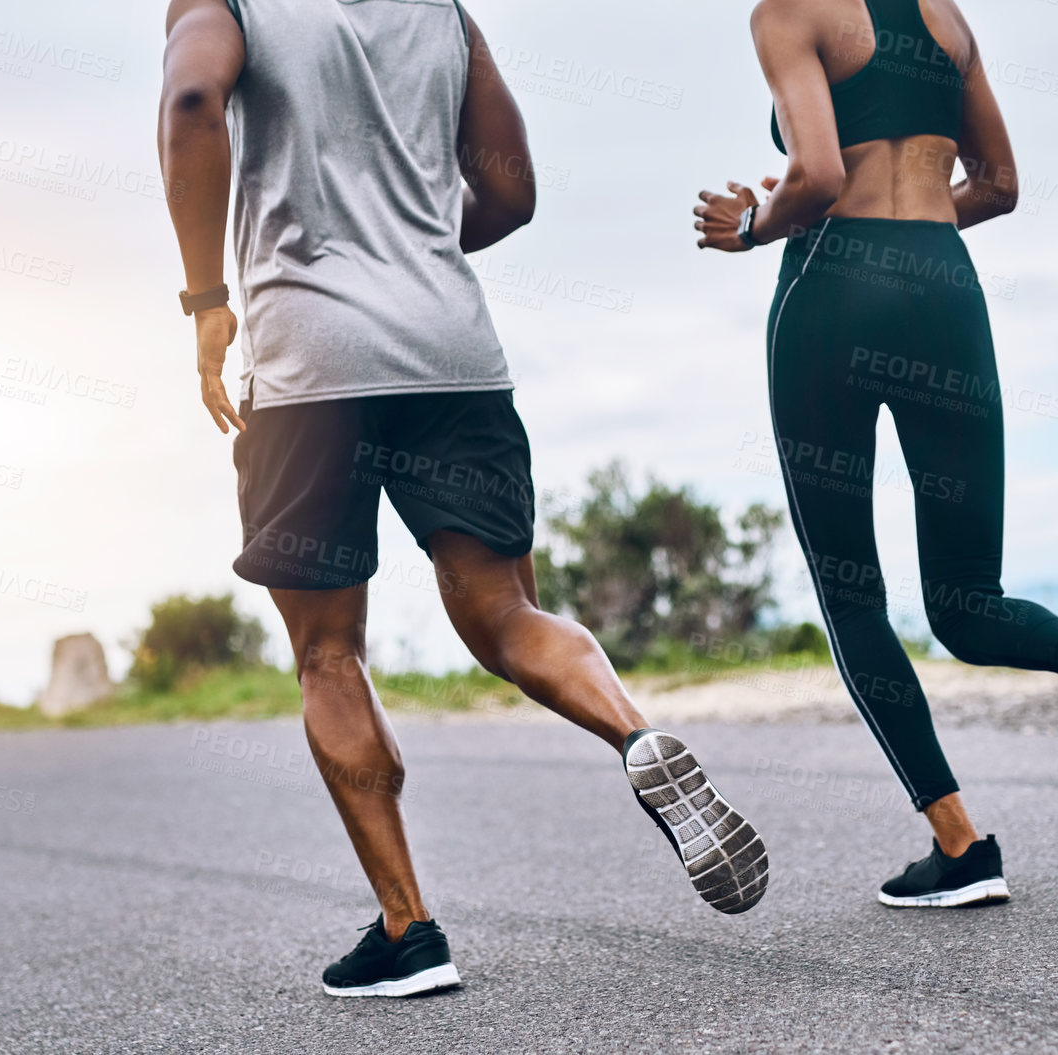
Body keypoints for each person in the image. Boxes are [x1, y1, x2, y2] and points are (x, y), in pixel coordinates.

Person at [158, 0, 769, 996]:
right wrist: (410, 251)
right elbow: (512, 190)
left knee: (327, 651)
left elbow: (192, 98)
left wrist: (205, 302)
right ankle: (634, 732)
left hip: (309, 367)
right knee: (507, 612)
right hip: (451, 351)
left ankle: (410, 927)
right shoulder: (442, 11)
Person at [693, 0, 1058, 907]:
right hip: (945, 291)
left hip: (832, 291)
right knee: (968, 600)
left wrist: (749, 228)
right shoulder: (946, 17)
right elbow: (1000, 183)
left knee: (853, 598)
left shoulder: (785, 13)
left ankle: (961, 845)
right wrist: (917, 232)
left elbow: (812, 176)